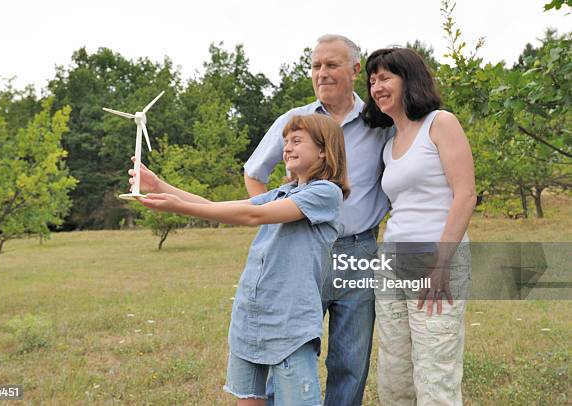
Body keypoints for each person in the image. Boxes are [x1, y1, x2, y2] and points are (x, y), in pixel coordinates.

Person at [131, 114, 349, 405]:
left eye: (297, 141)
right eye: (285, 142)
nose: (287, 148)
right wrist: (159, 186)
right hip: (252, 315)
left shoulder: (325, 193)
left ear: (324, 150)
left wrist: (180, 208)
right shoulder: (282, 192)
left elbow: (252, 215)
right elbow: (216, 206)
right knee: (247, 399)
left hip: (289, 323)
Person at [244, 34, 392, 406]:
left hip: (357, 250)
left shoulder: (381, 123)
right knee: (289, 349)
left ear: (356, 70)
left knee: (351, 360)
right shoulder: (298, 122)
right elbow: (254, 171)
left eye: (331, 65)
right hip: (300, 253)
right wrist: (276, 218)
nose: (321, 73)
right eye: (315, 66)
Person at [363, 47, 476, 405]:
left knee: (434, 369)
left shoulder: (440, 123)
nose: (376, 86)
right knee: (394, 370)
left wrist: (442, 263)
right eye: (372, 80)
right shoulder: (389, 142)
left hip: (435, 258)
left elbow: (465, 195)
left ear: (408, 78)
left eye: (385, 77)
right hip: (393, 260)